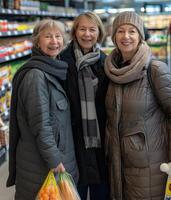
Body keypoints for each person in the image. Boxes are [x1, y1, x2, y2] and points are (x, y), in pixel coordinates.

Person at [6, 19, 78, 200]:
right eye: (48, 36)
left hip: (51, 161)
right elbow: (41, 125)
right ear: (37, 41)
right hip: (42, 167)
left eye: (58, 36)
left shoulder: (52, 69)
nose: (54, 41)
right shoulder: (36, 76)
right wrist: (55, 161)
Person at [104, 11, 171, 200]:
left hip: (150, 164)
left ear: (140, 35)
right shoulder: (111, 70)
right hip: (118, 163)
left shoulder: (155, 69)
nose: (126, 37)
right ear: (114, 36)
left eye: (132, 31)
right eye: (120, 31)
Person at [60, 11, 109, 200]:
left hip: (100, 141)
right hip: (73, 140)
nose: (87, 34)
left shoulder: (106, 62)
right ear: (74, 32)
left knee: (101, 190)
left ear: (99, 33)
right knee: (75, 191)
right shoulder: (62, 62)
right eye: (82, 29)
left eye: (92, 29)